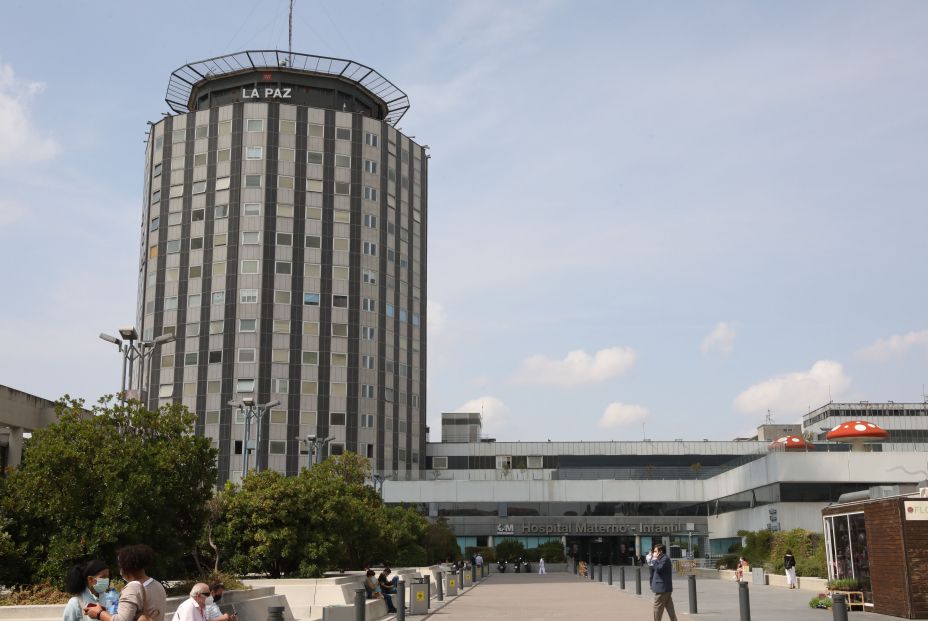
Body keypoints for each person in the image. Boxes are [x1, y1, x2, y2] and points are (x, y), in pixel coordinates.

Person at [85, 544, 167, 621]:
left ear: (126, 567)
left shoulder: (133, 588)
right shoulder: (157, 585)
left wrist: (99, 614)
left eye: (120, 566)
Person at [649, 544, 678, 621]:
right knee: (670, 607)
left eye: (655, 551)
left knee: (657, 608)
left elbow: (659, 569)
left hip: (662, 589)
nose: (653, 553)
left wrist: (654, 560)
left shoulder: (665, 559)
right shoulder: (660, 559)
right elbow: (653, 570)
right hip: (664, 588)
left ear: (660, 552)